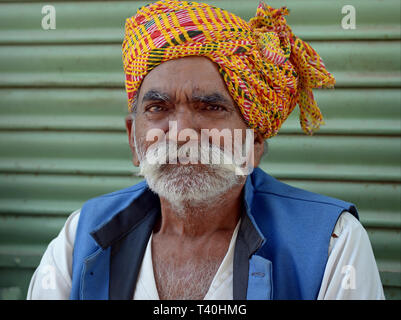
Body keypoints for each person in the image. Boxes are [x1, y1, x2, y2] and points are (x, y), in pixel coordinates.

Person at [27, 0, 384, 300]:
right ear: (133, 138)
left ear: (254, 142)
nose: (181, 134)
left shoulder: (333, 243)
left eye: (211, 108)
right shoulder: (82, 237)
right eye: (158, 109)